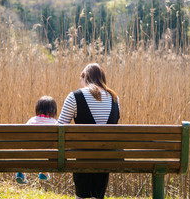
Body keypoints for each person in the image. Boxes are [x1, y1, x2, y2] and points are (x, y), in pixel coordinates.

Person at [57, 63, 120, 199]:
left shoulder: (75, 96)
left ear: (85, 78)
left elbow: (59, 129)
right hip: (106, 160)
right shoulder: (115, 98)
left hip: (82, 159)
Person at [16, 96, 57, 184]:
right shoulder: (54, 122)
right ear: (53, 110)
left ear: (38, 109)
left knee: (26, 149)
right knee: (49, 152)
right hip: (46, 155)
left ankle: (21, 172)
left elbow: (23, 137)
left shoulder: (32, 121)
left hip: (29, 154)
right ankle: (44, 172)